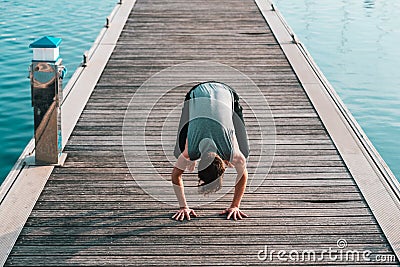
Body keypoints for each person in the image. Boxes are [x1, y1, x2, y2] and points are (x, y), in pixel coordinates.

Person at [171, 81, 250, 221]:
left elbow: (176, 175)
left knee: (244, 151)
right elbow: (242, 174)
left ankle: (189, 160)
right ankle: (190, 158)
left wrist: (235, 206)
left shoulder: (230, 152)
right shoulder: (191, 151)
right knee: (181, 153)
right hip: (197, 93)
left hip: (226, 93)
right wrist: (183, 207)